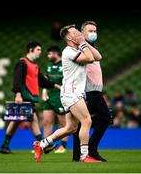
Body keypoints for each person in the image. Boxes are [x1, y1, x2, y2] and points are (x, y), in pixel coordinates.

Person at [33, 24, 102, 163]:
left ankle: (41, 144)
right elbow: (89, 59)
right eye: (75, 32)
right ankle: (84, 157)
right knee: (87, 121)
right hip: (71, 92)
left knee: (70, 128)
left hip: (73, 92)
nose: (79, 33)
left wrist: (83, 44)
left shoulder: (78, 48)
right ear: (70, 37)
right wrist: (83, 43)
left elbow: (98, 56)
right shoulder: (68, 51)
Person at [0, 41, 60, 154]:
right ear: (31, 50)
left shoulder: (35, 66)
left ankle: (4, 145)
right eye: (38, 49)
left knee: (16, 120)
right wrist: (18, 94)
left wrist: (54, 85)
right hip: (24, 96)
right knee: (32, 118)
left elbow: (41, 81)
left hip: (29, 97)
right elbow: (17, 79)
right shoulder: (22, 63)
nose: (40, 52)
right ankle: (43, 144)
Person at [72, 21, 111, 162]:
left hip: (96, 92)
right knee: (84, 122)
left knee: (103, 119)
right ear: (82, 33)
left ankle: (89, 150)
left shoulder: (91, 48)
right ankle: (82, 154)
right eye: (90, 30)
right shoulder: (79, 49)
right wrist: (82, 42)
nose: (93, 33)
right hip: (86, 92)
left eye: (95, 30)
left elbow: (99, 56)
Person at [42, 46, 67, 153]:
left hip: (61, 96)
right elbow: (46, 79)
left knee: (64, 123)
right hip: (49, 96)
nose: (48, 56)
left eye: (49, 54)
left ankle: (63, 146)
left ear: (56, 53)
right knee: (47, 122)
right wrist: (44, 91)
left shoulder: (65, 64)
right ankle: (45, 146)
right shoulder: (48, 65)